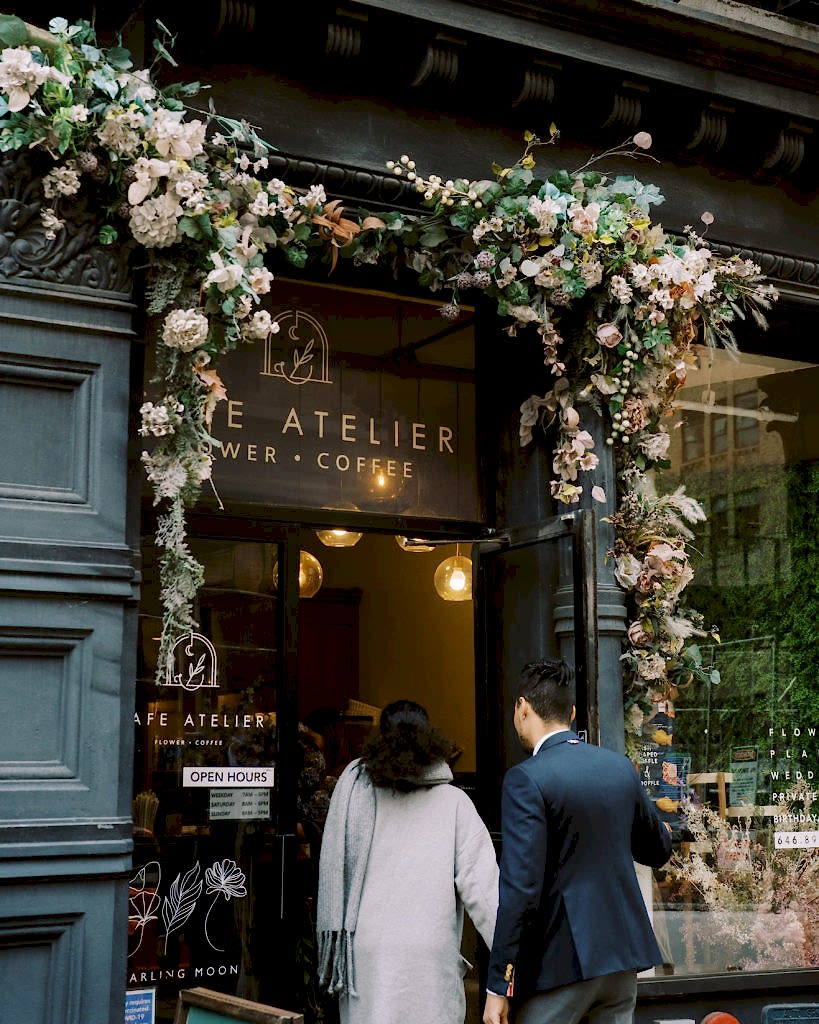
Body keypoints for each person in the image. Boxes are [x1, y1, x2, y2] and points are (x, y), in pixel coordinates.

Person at [483, 659, 673, 1024]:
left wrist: (498, 985)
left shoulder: (526, 779)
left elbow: (521, 890)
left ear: (522, 708)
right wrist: (664, 830)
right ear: (570, 712)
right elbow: (656, 850)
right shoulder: (618, 767)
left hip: (559, 966)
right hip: (620, 962)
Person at [317, 699, 499, 1024]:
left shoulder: (356, 797)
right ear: (431, 739)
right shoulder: (455, 803)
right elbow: (485, 894)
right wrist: (511, 966)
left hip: (367, 957)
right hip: (429, 956)